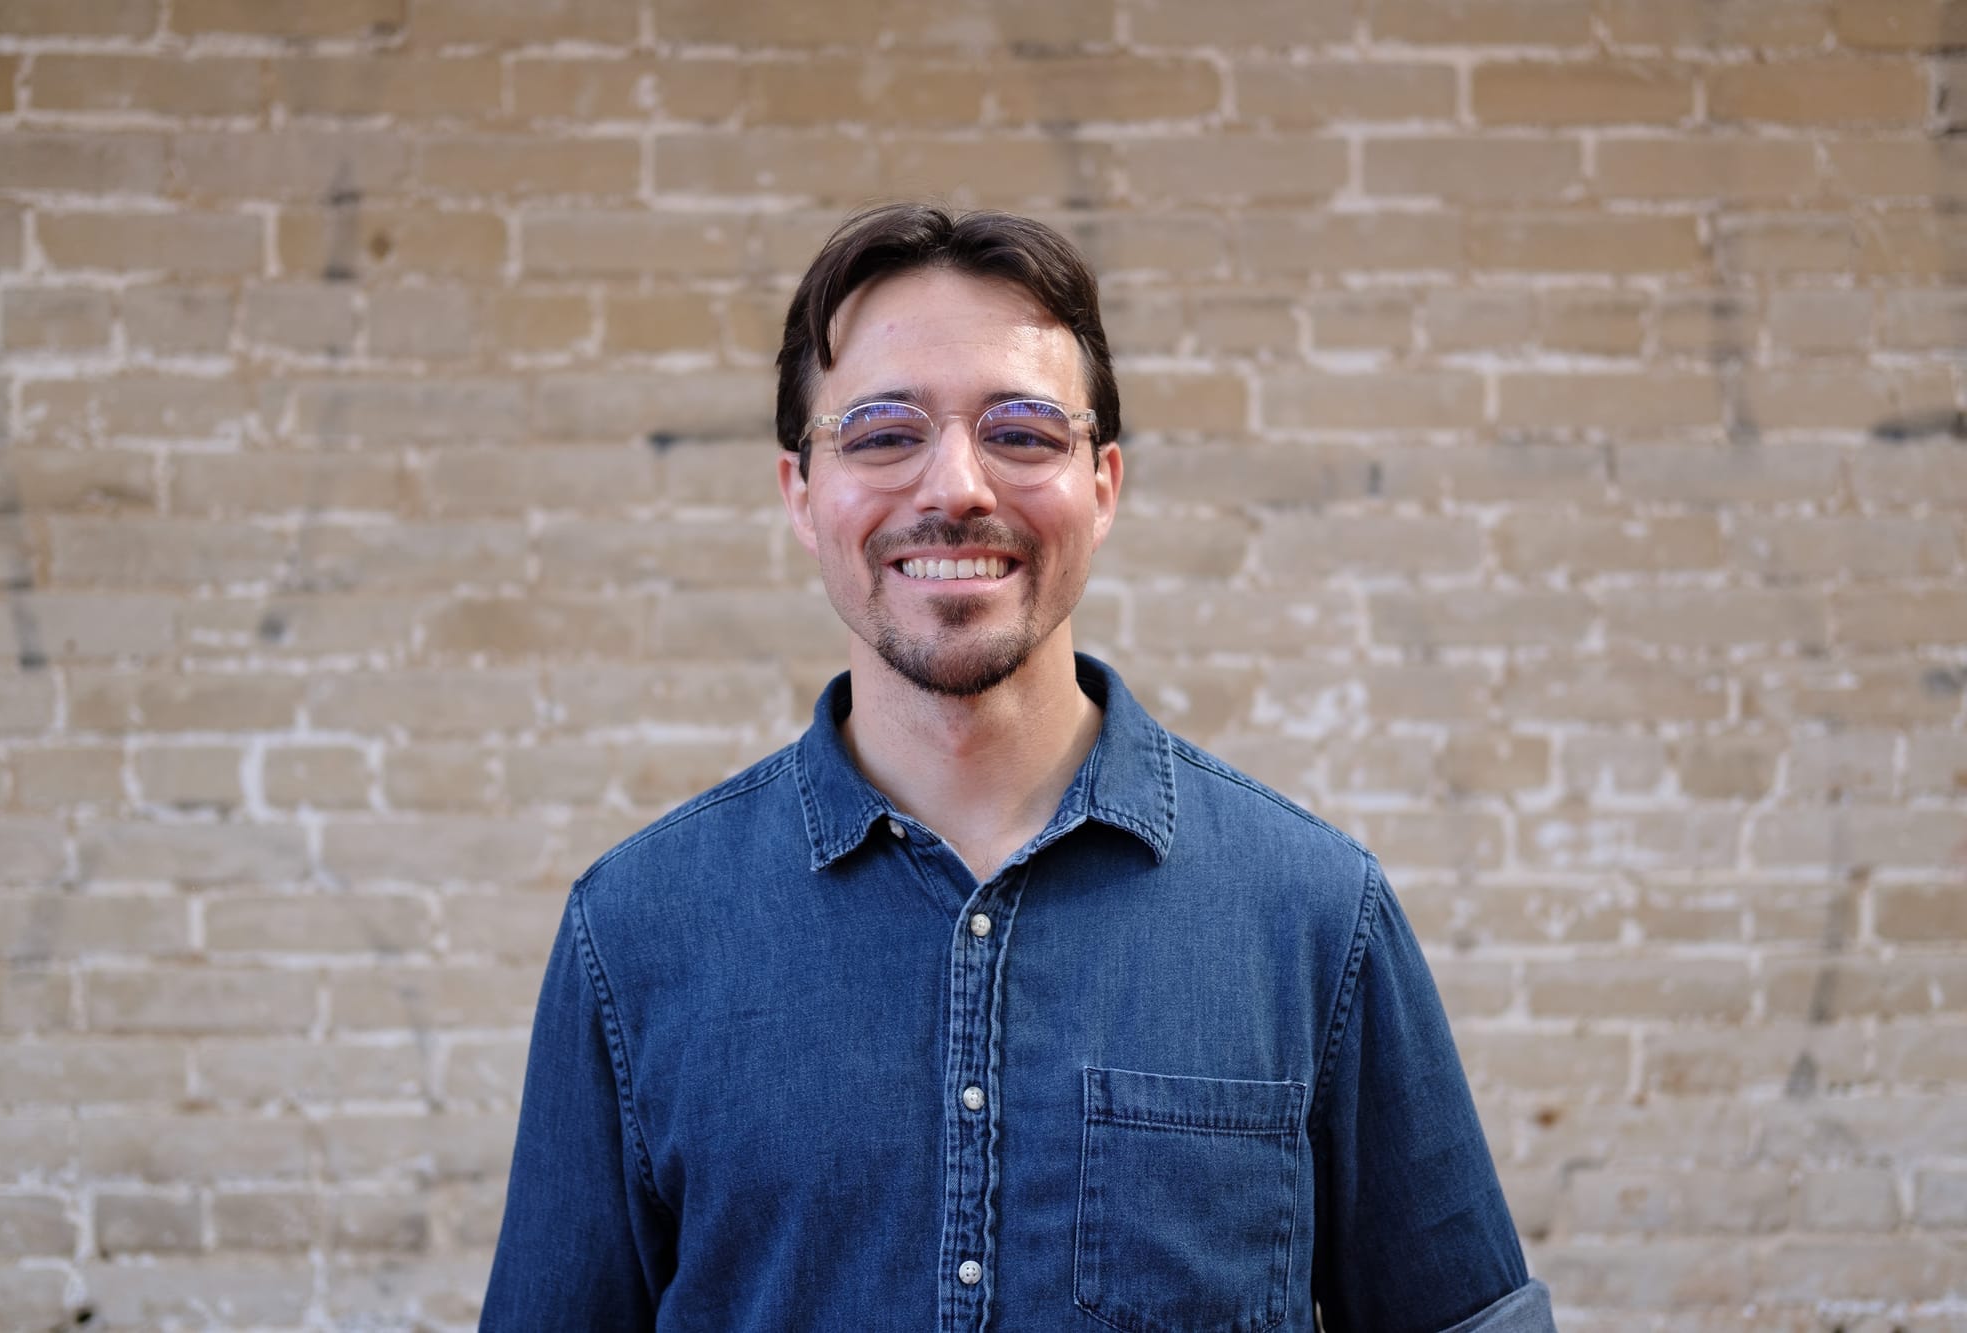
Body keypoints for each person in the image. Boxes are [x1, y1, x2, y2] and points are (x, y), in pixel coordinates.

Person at [480, 203, 1556, 1331]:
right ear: (801, 493)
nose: (955, 487)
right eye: (884, 432)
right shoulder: (638, 930)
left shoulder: (1313, 919)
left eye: (1023, 432)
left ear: (1103, 484)